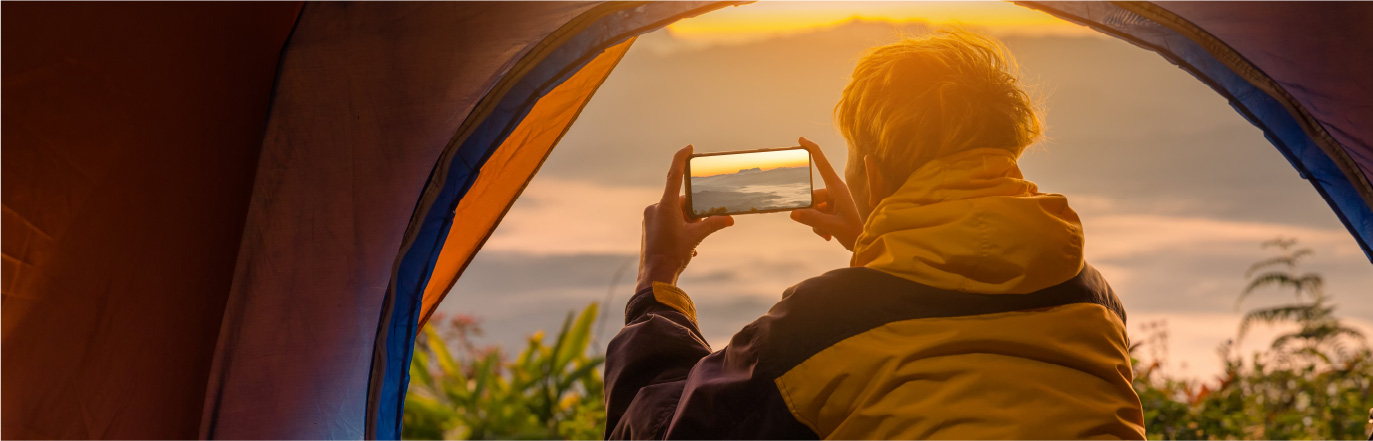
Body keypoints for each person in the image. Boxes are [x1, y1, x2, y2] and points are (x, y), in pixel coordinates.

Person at [604, 29, 1145, 440]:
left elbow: (656, 428)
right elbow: (953, 309)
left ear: (876, 174)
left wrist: (658, 282)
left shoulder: (822, 325)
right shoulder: (1091, 298)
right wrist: (877, 243)